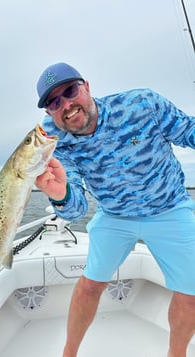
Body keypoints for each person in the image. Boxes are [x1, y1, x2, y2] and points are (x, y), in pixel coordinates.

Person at [35, 62, 195, 357]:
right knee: (90, 286)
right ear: (49, 113)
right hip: (113, 215)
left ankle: (177, 354)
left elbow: (189, 132)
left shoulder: (142, 103)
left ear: (87, 86)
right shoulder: (52, 140)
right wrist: (61, 195)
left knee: (192, 292)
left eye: (70, 91)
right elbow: (75, 209)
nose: (67, 105)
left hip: (169, 208)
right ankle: (68, 353)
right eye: (55, 102)